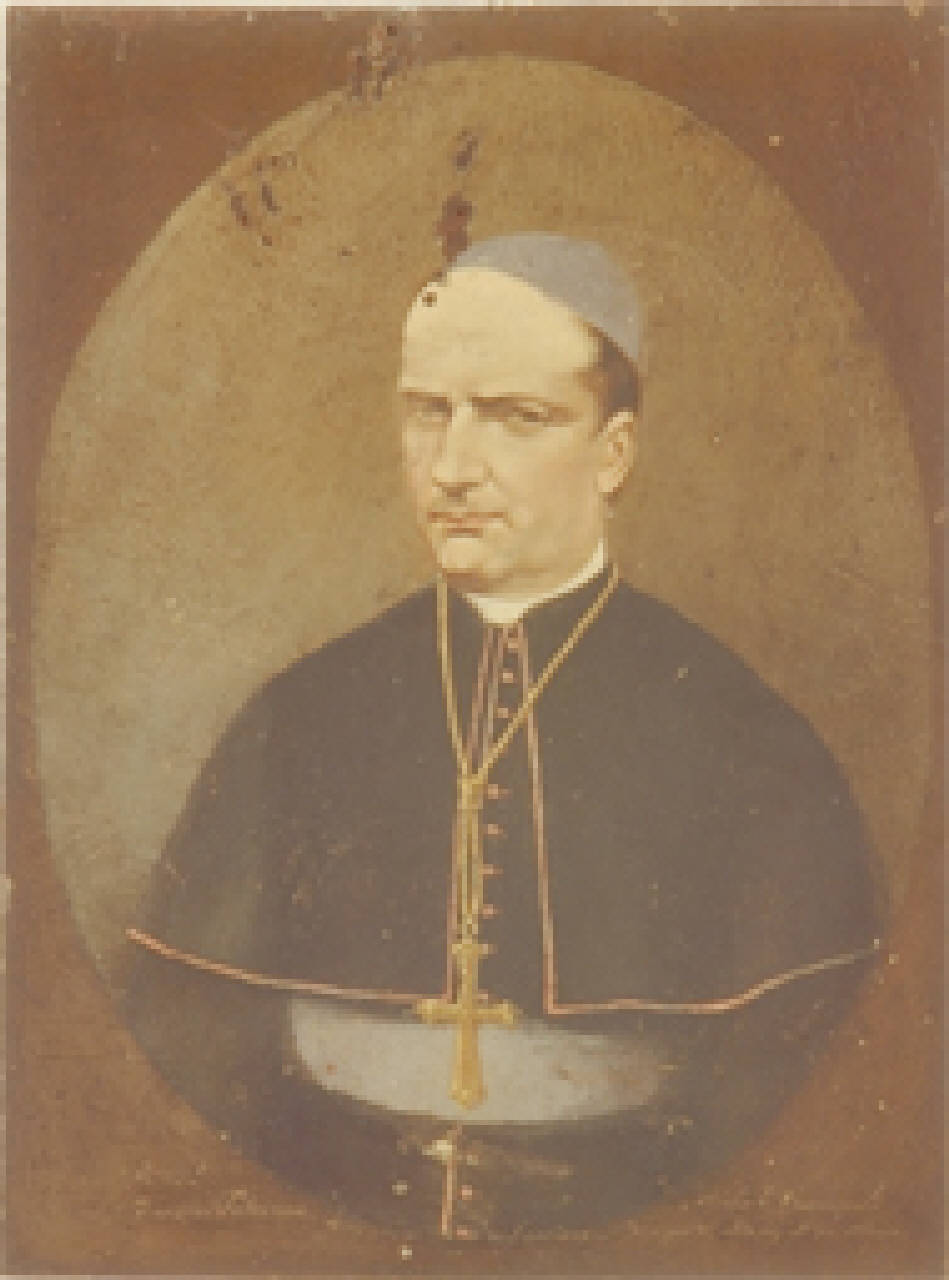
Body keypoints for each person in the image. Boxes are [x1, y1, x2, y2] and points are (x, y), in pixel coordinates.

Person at [122, 234, 881, 1240]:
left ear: (613, 453)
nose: (452, 467)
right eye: (427, 411)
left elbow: (800, 1079)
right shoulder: (296, 714)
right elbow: (185, 1044)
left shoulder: (742, 734)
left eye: (517, 418)